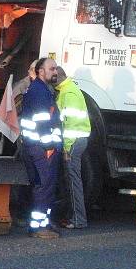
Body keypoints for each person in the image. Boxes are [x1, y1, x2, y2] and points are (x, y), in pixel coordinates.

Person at [19, 57, 62, 238]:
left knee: (45, 186)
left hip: (39, 146)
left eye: (56, 69)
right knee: (43, 186)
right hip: (41, 147)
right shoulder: (39, 91)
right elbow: (43, 121)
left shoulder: (42, 89)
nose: (55, 72)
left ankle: (42, 223)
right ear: (41, 71)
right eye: (51, 69)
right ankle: (37, 227)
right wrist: (49, 145)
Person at [55, 66, 91, 229]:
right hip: (78, 139)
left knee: (73, 181)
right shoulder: (70, 89)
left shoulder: (68, 93)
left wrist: (66, 148)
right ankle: (74, 217)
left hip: (73, 141)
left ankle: (78, 219)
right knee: (72, 180)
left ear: (57, 78)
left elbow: (70, 124)